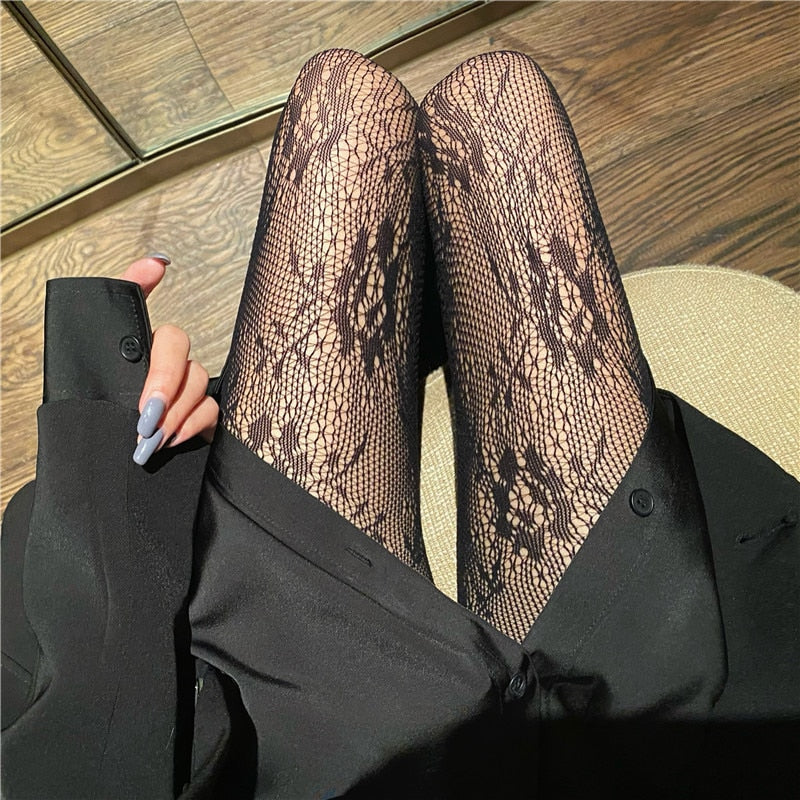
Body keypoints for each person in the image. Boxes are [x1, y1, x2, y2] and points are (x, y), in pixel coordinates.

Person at [2, 50, 798, 799]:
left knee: (360, 106)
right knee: (489, 108)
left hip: (273, 695)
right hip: (647, 745)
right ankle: (434, 322)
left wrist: (110, 484)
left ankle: (426, 318)